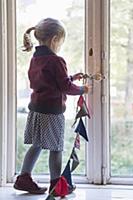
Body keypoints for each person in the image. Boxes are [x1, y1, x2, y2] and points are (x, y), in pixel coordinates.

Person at [13, 18, 90, 195]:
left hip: (36, 110)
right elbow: (64, 87)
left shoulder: (35, 59)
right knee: (56, 148)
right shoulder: (56, 60)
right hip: (52, 112)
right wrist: (82, 89)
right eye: (60, 43)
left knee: (37, 144)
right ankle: (57, 186)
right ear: (55, 39)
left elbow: (50, 82)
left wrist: (71, 78)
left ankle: (23, 178)